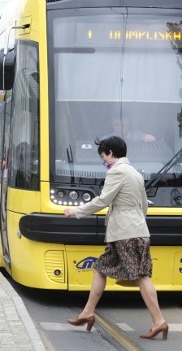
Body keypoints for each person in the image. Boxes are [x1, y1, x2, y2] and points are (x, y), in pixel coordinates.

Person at [64, 136, 168, 340]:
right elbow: (144, 205)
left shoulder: (117, 171)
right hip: (134, 231)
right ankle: (87, 312)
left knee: (140, 276)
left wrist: (76, 211)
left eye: (103, 157)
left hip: (126, 233)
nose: (104, 162)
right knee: (101, 268)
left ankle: (159, 321)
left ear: (110, 153)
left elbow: (103, 200)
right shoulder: (134, 172)